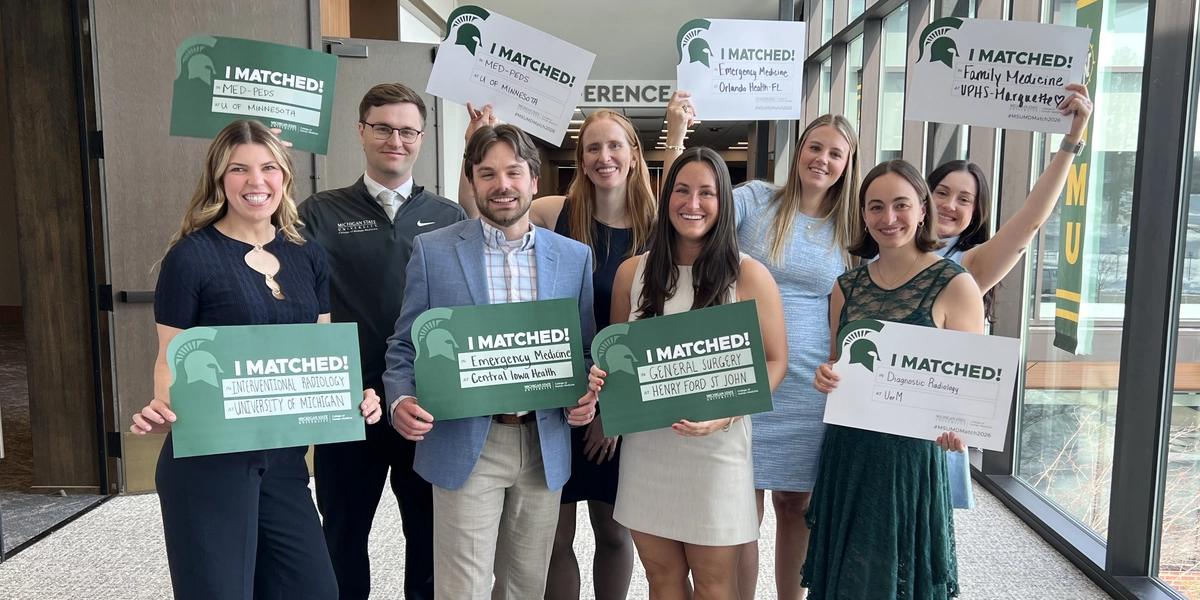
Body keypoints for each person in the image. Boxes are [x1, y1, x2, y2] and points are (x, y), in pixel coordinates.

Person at [129, 120, 383, 600]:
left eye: (268, 167)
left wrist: (353, 395)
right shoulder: (190, 257)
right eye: (239, 169)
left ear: (284, 176)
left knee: (314, 590)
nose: (256, 181)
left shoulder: (308, 255)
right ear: (219, 178)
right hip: (209, 460)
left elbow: (320, 350)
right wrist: (166, 406)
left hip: (284, 458)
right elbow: (170, 357)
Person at [384, 123, 600, 599]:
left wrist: (586, 395)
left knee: (525, 587)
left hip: (543, 443)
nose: (502, 185)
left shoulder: (573, 258)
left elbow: (583, 351)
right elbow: (405, 345)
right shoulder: (433, 252)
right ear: (472, 182)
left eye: (513, 172)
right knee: (463, 588)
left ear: (534, 181)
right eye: (487, 173)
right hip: (466, 441)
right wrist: (400, 398)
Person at [664, 91, 861, 599]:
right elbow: (688, 207)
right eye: (815, 147)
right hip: (743, 372)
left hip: (808, 387)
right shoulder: (756, 199)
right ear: (799, 151)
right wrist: (677, 136)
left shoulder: (850, 229)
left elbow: (854, 303)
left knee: (797, 507)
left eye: (835, 153)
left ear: (847, 164)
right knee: (738, 512)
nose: (822, 159)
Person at [460, 105, 653, 600]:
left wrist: (612, 413)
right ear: (580, 158)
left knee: (614, 531)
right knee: (552, 540)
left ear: (633, 153)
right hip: (554, 396)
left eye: (614, 145)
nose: (604, 156)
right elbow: (481, 217)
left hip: (620, 401)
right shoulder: (554, 212)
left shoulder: (655, 227)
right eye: (593, 147)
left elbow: (647, 331)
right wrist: (475, 142)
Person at [589, 147, 788, 599]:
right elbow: (616, 357)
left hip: (716, 451)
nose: (692, 203)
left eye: (706, 193)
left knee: (715, 585)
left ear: (723, 202)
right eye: (682, 190)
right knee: (661, 579)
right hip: (648, 451)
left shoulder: (749, 275)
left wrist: (727, 413)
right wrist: (604, 382)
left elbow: (776, 360)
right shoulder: (632, 274)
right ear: (667, 198)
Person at [299, 82, 466, 600]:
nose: (396, 140)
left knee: (430, 536)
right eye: (383, 128)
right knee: (342, 535)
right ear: (361, 131)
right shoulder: (318, 213)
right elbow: (298, 305)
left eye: (408, 131)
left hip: (426, 406)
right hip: (349, 405)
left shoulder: (449, 217)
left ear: (421, 138)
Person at [805, 159, 985, 599]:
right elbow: (838, 361)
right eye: (876, 206)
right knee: (849, 574)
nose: (889, 218)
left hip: (911, 460)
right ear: (863, 215)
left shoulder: (956, 285)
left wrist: (960, 428)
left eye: (901, 205)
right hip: (850, 450)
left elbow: (972, 390)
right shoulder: (846, 286)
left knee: (901, 575)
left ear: (923, 209)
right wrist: (826, 376)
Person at [926, 83, 1094, 318]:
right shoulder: (888, 245)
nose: (949, 205)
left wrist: (1071, 140)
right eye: (942, 193)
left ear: (975, 214)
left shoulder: (968, 265)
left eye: (964, 200)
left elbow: (1029, 221)